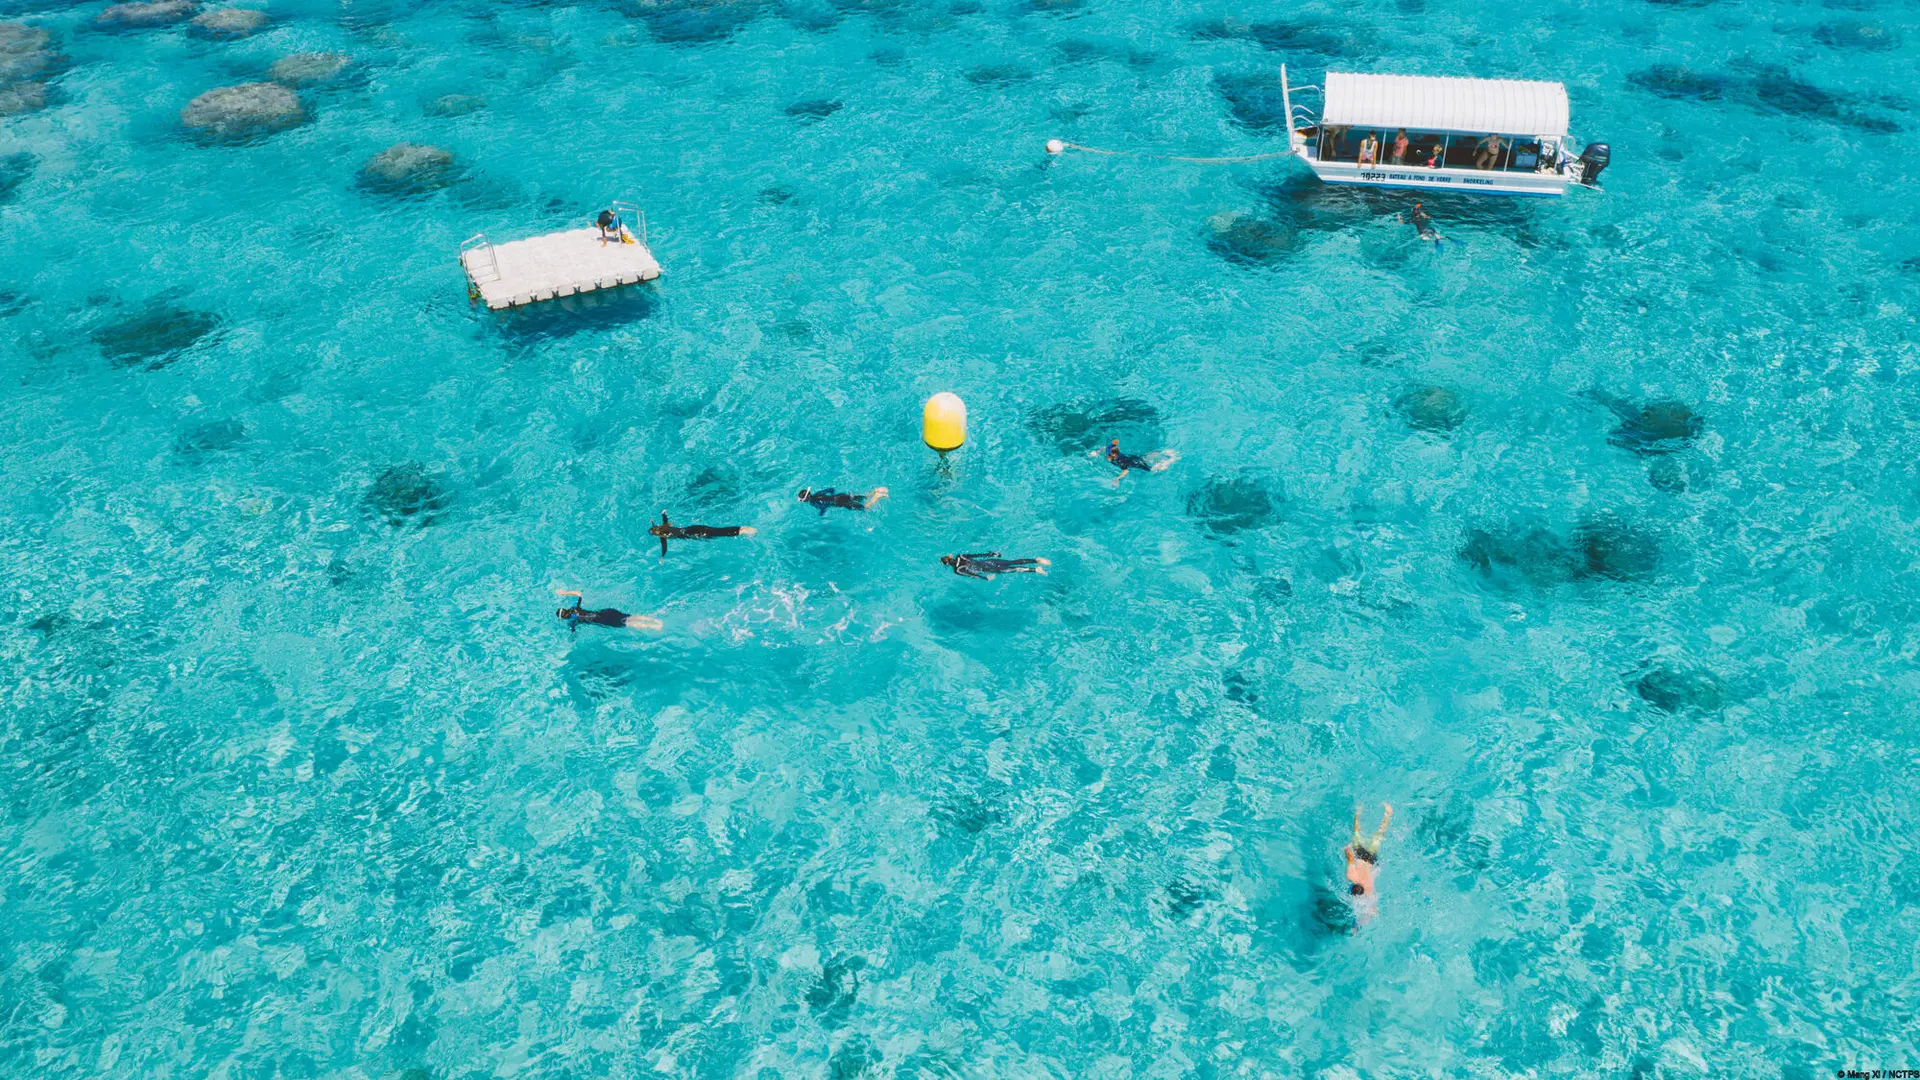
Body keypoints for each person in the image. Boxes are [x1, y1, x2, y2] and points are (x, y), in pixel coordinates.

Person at [1345, 803, 1393, 928]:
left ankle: (1387, 815)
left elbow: (1371, 909)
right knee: (1356, 833)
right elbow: (1350, 857)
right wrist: (1347, 850)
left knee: (1379, 836)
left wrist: (1356, 925)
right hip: (1360, 855)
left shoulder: (1369, 889)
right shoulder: (1351, 876)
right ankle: (1358, 812)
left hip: (1372, 860)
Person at [554, 589, 663, 633]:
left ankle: (654, 626)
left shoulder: (571, 622)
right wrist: (564, 593)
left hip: (603, 620)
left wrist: (572, 636)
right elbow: (579, 593)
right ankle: (654, 620)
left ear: (563, 618)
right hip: (606, 612)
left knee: (627, 623)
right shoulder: (574, 608)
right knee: (628, 617)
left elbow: (573, 633)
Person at [649, 512, 756, 556]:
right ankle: (742, 529)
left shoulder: (663, 537)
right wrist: (663, 513)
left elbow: (664, 547)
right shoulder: (665, 526)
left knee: (720, 533)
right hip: (694, 528)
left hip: (697, 534)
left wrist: (662, 557)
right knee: (718, 530)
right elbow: (665, 520)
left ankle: (745, 531)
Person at [1099, 439, 1179, 486]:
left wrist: (1117, 478)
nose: (1107, 456)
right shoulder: (1111, 449)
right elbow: (1113, 443)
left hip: (1136, 463)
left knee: (1151, 470)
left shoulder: (1120, 461)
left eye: (1109, 455)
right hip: (1132, 457)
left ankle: (1169, 461)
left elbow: (1126, 471)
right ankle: (1162, 453)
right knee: (1143, 457)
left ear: (1114, 454)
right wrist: (1097, 452)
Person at [940, 552, 1050, 579]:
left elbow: (972, 575)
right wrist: (993, 554)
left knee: (1013, 569)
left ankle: (1035, 570)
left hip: (988, 568)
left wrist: (986, 578)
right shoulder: (960, 556)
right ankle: (1036, 560)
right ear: (950, 557)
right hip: (989, 562)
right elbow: (978, 555)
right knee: (1012, 562)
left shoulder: (957, 570)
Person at [797, 486, 889, 515]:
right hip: (839, 496)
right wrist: (832, 495)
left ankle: (877, 496)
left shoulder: (813, 503)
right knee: (860, 497)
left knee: (865, 508)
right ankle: (874, 491)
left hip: (839, 502)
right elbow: (830, 489)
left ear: (806, 499)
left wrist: (821, 513)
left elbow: (824, 506)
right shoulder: (818, 493)